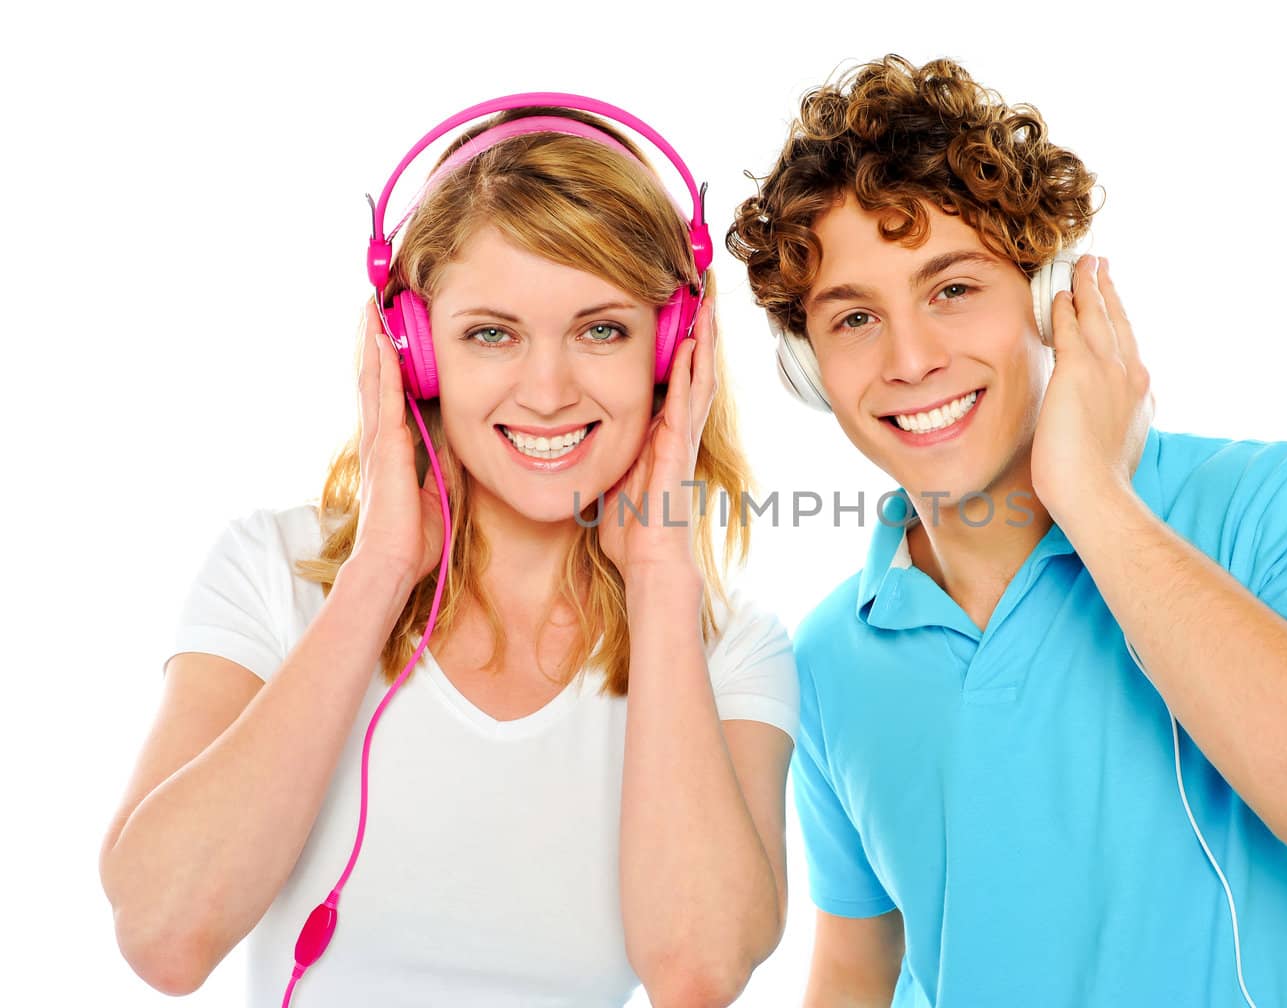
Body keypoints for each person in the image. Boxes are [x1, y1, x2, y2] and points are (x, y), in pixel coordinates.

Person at [726, 56, 1287, 1006]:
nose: (911, 359)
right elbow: (855, 972)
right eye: (854, 318)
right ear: (810, 367)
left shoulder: (1273, 502)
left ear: (1051, 299)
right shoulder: (832, 655)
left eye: (954, 289)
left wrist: (1095, 501)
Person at [99, 95, 797, 1008]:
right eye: (491, 334)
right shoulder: (274, 574)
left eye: (602, 330)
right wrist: (379, 572)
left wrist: (661, 579)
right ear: (416, 352)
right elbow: (164, 938)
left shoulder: (727, 651)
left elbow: (697, 972)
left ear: (673, 352)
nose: (547, 391)